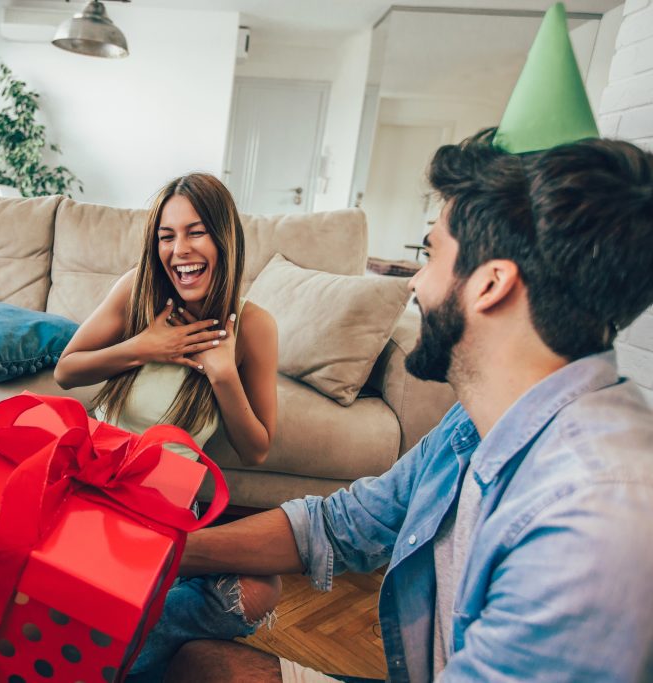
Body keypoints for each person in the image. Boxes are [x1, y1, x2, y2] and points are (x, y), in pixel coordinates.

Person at [159, 130, 653, 682]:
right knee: (201, 665)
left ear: (491, 284)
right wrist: (167, 552)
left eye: (432, 252)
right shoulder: (480, 420)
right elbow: (346, 524)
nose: (416, 280)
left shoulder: (590, 518)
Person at [54, 172, 281, 680]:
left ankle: (100, 645)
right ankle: (109, 654)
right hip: (94, 488)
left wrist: (224, 375)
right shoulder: (138, 290)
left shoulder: (254, 327)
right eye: (166, 235)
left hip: (165, 509)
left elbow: (257, 449)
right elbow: (67, 370)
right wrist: (144, 347)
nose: (180, 250)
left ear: (225, 238)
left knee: (262, 587)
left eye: (195, 232)